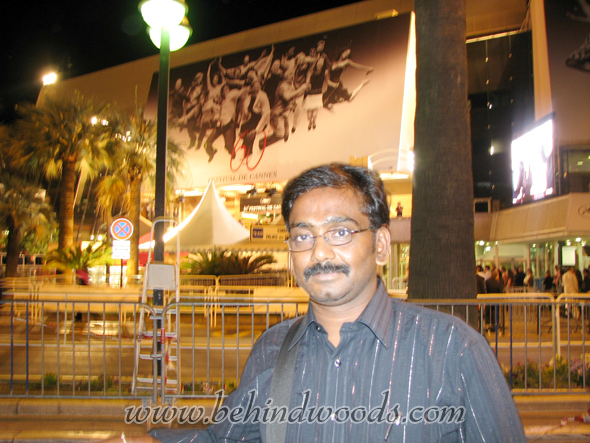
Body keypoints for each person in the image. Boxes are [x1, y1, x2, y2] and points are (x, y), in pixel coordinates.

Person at [111, 164, 526, 443]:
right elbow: (222, 436)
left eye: (341, 232)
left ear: (381, 243)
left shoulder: (453, 350)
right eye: (303, 236)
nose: (319, 251)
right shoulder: (274, 350)